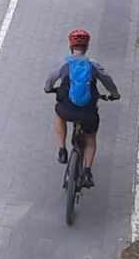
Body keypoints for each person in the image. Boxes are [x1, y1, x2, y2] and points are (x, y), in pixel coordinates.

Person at [44, 29, 120, 187]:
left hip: (67, 109)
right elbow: (108, 81)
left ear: (70, 46)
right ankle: (86, 172)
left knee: (59, 115)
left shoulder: (66, 65)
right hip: (88, 113)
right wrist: (114, 94)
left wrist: (48, 88)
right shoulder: (93, 65)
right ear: (87, 46)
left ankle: (62, 148)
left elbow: (51, 79)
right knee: (90, 139)